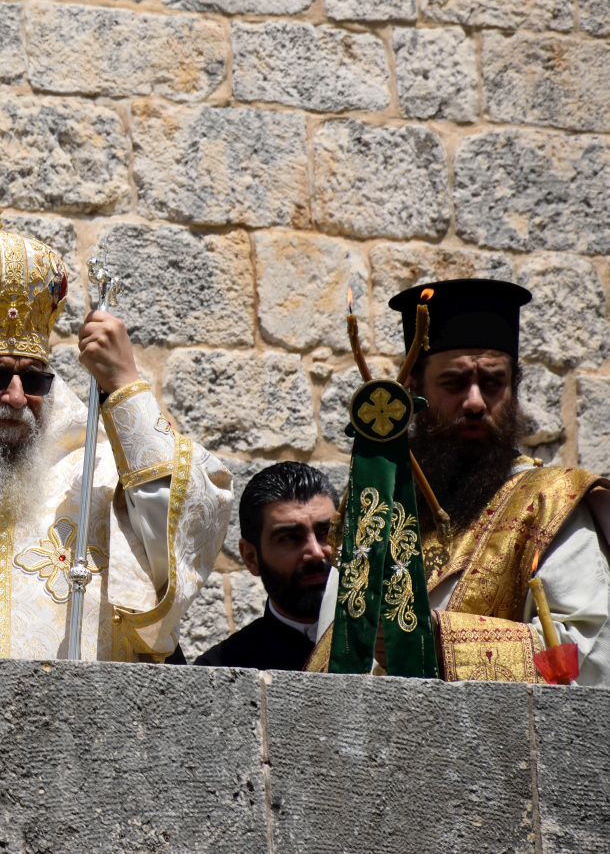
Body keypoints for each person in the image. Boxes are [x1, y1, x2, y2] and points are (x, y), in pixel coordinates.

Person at [0, 231, 233, 660]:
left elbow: (195, 522)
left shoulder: (94, 480)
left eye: (34, 379)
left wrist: (125, 384)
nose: (16, 397)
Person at [311, 279, 610, 684]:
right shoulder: (376, 512)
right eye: (454, 383)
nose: (475, 402)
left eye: (492, 383)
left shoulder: (551, 504)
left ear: (514, 388)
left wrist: (444, 641)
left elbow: (587, 662)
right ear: (412, 390)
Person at [194, 463, 338, 671]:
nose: (316, 552)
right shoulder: (221, 670)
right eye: (290, 538)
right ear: (251, 558)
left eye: (327, 533)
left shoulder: (385, 647)